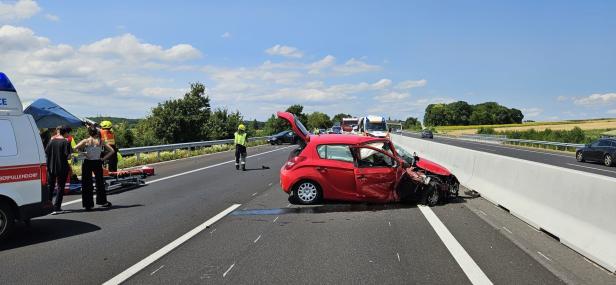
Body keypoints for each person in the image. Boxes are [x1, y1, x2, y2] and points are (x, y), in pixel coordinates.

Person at [74, 126, 114, 210]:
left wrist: (84, 153)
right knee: (99, 182)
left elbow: (75, 148)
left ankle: (88, 205)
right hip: (97, 162)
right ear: (96, 132)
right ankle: (103, 202)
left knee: (86, 183)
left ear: (89, 133)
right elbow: (112, 151)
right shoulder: (100, 141)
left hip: (87, 162)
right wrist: (103, 159)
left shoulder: (86, 141)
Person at [45, 126, 72, 214]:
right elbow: (68, 156)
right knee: (60, 187)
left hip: (51, 167)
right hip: (62, 167)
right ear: (66, 133)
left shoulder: (52, 140)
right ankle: (57, 207)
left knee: (50, 186)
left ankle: (48, 206)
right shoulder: (66, 142)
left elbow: (46, 152)